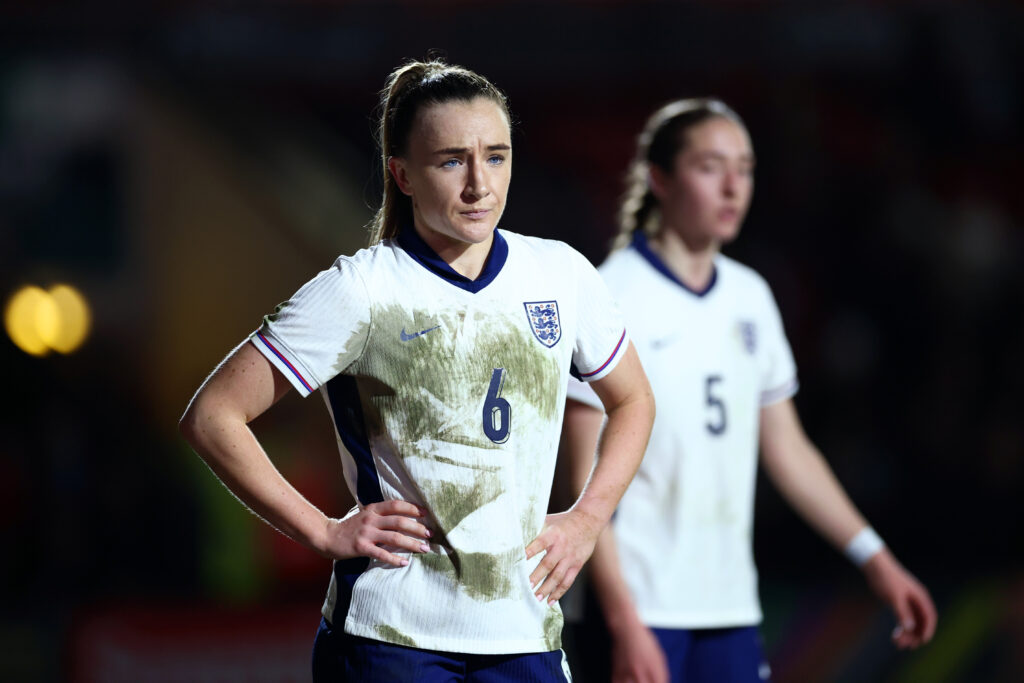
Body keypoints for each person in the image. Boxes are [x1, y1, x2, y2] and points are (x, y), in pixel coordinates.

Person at [178, 59, 655, 682]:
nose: (479, 184)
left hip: (526, 635)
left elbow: (634, 400)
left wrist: (588, 518)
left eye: (497, 156)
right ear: (401, 174)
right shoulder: (361, 290)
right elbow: (213, 416)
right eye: (452, 160)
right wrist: (324, 532)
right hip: (390, 640)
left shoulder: (560, 275)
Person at [561, 98, 937, 683]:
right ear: (659, 178)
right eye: (711, 166)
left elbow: (789, 450)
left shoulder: (751, 296)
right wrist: (624, 623)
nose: (734, 186)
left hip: (730, 609)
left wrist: (876, 559)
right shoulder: (610, 295)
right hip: (640, 612)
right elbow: (579, 479)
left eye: (746, 167)